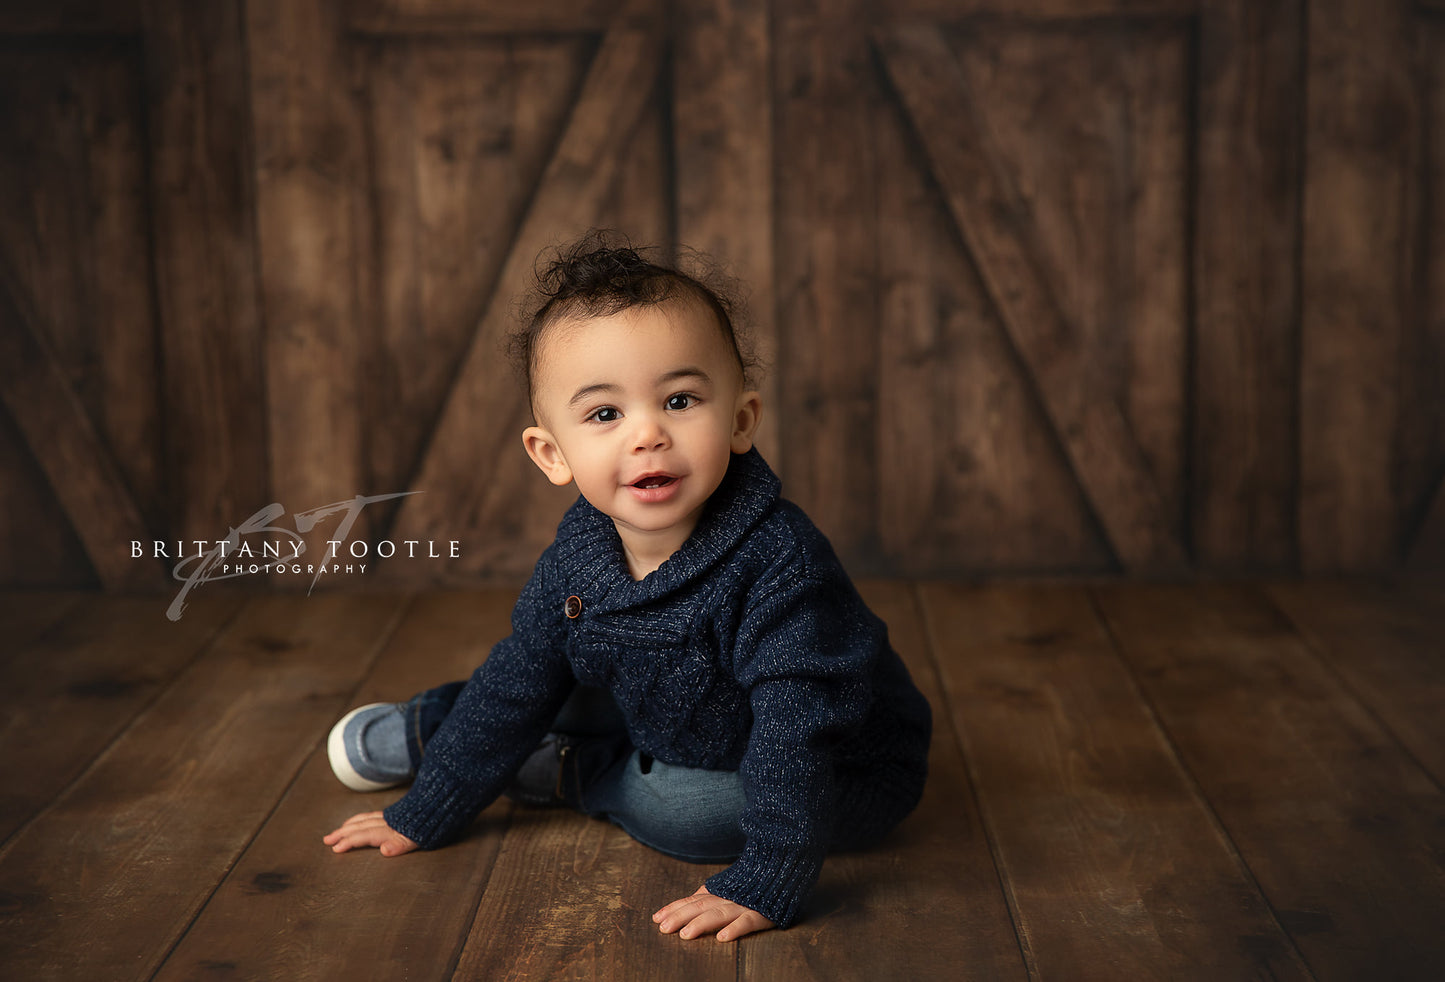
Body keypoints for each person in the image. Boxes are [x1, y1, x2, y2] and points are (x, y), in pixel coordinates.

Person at [322, 235, 932, 943]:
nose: (647, 434)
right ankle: (438, 727)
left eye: (679, 400)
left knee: (685, 809)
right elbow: (522, 676)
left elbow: (796, 734)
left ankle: (566, 773)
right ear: (552, 454)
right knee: (541, 683)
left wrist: (769, 876)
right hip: (673, 702)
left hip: (831, 764)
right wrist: (426, 810)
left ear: (739, 421)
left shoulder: (780, 566)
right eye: (605, 414)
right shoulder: (580, 555)